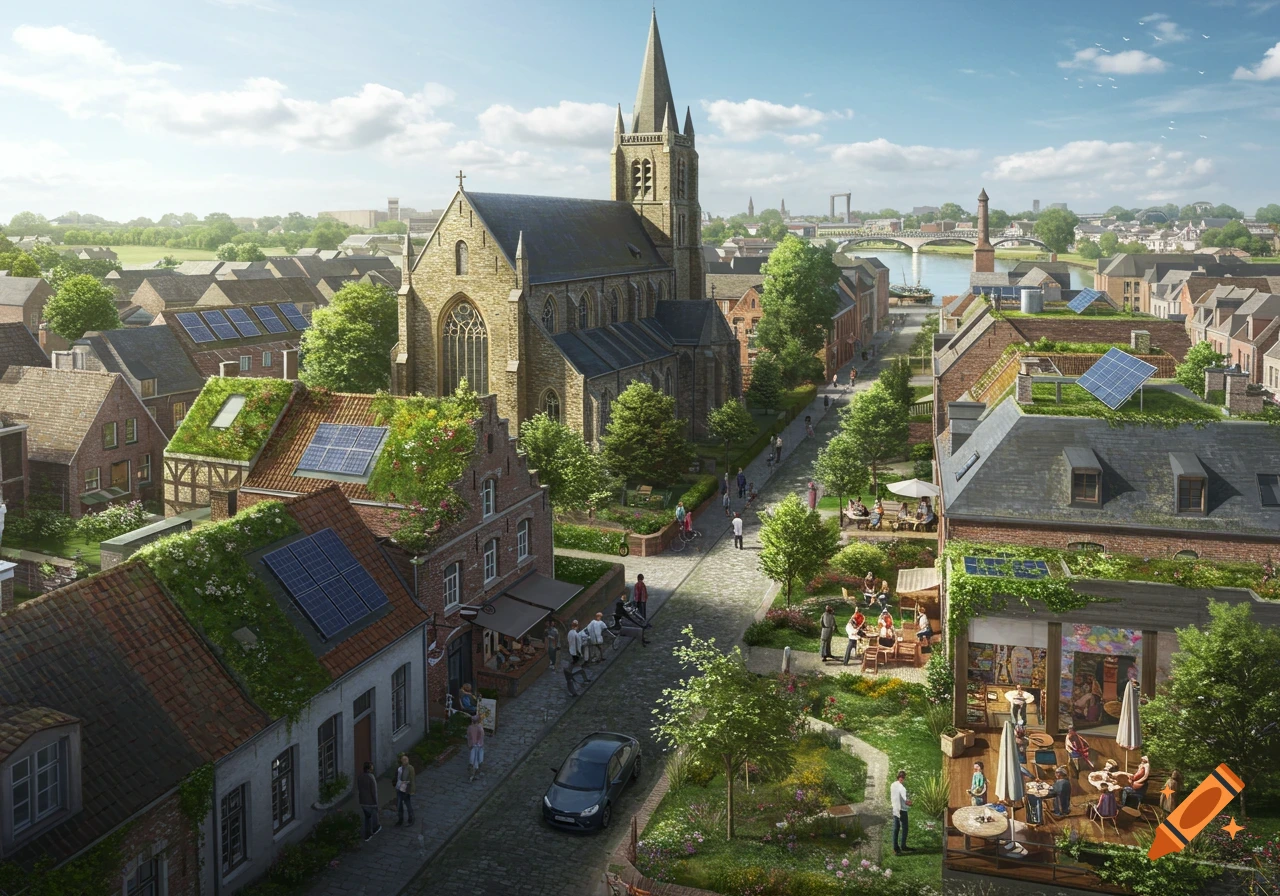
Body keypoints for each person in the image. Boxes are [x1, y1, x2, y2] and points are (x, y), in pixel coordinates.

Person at [358, 761, 381, 840]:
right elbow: (374, 792)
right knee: (374, 817)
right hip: (371, 802)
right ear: (369, 769)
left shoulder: (360, 777)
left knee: (367, 818)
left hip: (363, 802)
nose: (373, 768)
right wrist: (376, 803)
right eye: (372, 767)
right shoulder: (371, 777)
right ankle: (375, 829)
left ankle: (367, 835)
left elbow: (359, 789)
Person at [890, 769, 911, 854]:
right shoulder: (902, 788)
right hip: (902, 810)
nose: (902, 778)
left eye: (903, 777)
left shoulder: (893, 785)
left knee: (896, 828)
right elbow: (905, 799)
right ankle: (903, 846)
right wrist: (909, 803)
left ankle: (896, 847)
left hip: (895, 809)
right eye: (901, 776)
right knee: (904, 828)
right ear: (899, 777)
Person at [394, 753, 416, 826]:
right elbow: (396, 777)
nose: (405, 761)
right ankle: (400, 819)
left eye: (406, 759)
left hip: (406, 788)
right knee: (399, 804)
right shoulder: (399, 768)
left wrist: (412, 790)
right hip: (399, 787)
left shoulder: (410, 768)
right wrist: (395, 784)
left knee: (407, 803)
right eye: (403, 759)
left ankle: (411, 818)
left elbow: (412, 779)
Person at [466, 714, 485, 782]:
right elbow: (482, 736)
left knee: (473, 760)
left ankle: (472, 774)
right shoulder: (480, 727)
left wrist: (470, 744)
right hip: (479, 746)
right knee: (478, 760)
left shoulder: (470, 728)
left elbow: (469, 737)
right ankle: (475, 774)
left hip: (473, 746)